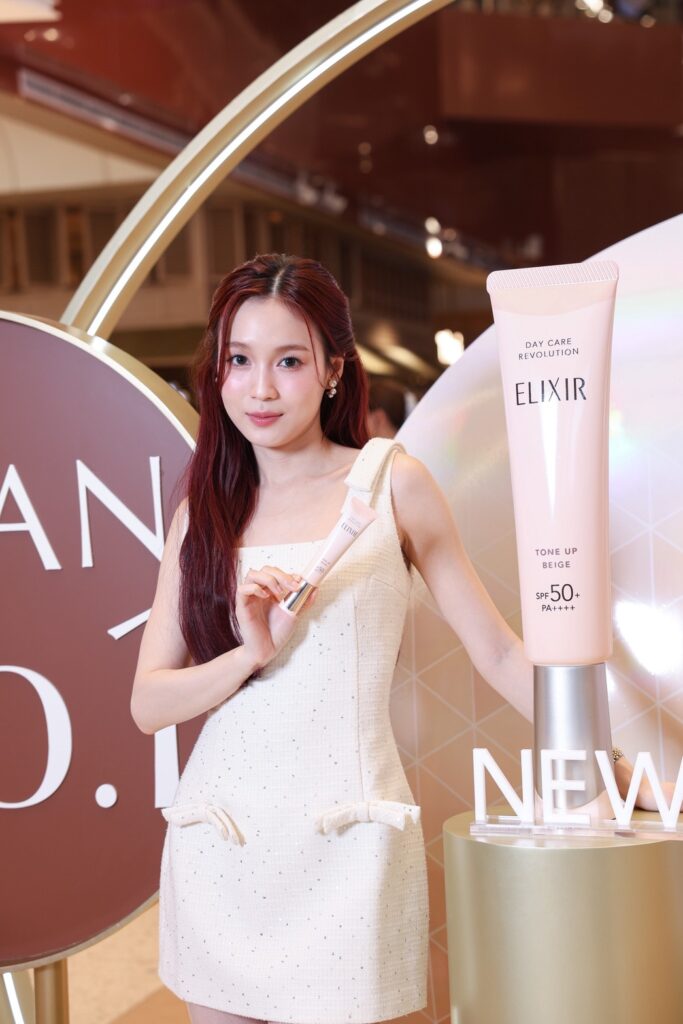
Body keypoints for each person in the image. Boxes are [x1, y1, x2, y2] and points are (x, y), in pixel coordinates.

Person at [130, 252, 668, 1024]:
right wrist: (249, 655)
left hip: (351, 841)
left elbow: (498, 652)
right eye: (239, 361)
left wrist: (605, 764)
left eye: (289, 361)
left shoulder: (391, 486)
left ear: (333, 371)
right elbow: (149, 702)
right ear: (216, 372)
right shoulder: (202, 516)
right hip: (224, 840)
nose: (261, 388)